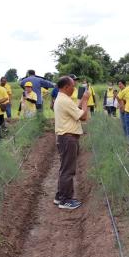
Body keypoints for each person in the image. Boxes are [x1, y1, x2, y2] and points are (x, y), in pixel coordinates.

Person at [53, 75, 90, 210]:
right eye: (73, 86)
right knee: (68, 170)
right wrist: (85, 100)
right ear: (66, 87)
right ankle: (65, 200)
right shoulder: (65, 101)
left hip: (65, 138)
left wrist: (80, 102)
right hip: (68, 139)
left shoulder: (62, 99)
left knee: (64, 168)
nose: (74, 88)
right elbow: (84, 116)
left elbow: (75, 111)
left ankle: (59, 196)